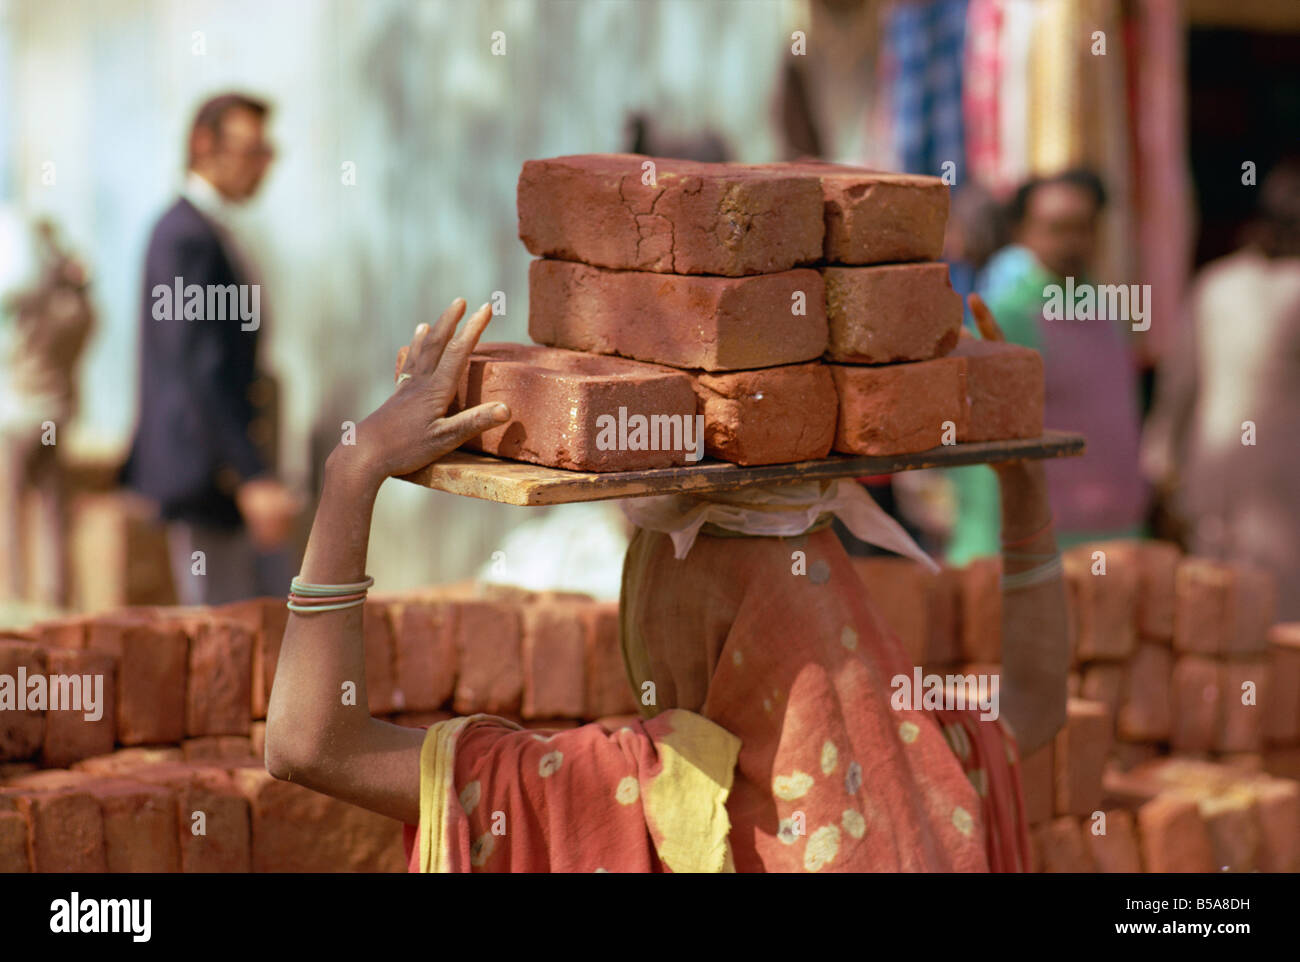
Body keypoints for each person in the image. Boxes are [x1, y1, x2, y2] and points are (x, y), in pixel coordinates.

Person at [264, 297, 1070, 873]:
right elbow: (1035, 704)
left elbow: (310, 746)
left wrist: (354, 469)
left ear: (666, 616)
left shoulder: (649, 795)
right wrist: (1024, 486)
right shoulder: (921, 765)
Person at [122, 93, 297, 605]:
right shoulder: (185, 237)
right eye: (250, 151)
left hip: (227, 472)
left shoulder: (211, 232)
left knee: (258, 625)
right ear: (203, 145)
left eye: (268, 152)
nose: (262, 167)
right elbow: (198, 365)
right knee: (225, 637)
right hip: (211, 477)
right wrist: (249, 476)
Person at [947, 169, 1147, 564]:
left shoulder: (1109, 308)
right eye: (1058, 228)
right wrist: (985, 552)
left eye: (1084, 227)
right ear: (1023, 233)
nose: (1073, 241)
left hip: (1119, 538)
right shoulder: (1008, 315)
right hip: (1042, 547)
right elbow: (984, 444)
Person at [1143, 158, 1300, 620]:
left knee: (1218, 626)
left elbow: (1177, 390)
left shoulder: (1216, 284)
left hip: (1212, 480)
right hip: (1281, 489)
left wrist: (1161, 472)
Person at [0, 214, 95, 607]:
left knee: (9, 515)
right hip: (55, 414)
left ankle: (11, 598)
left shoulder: (36, 305)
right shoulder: (77, 311)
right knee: (53, 514)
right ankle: (53, 600)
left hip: (19, 415)